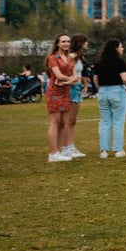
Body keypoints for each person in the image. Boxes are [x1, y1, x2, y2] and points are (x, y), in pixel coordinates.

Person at [95, 39, 126, 158]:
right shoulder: (119, 62)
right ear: (116, 48)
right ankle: (118, 149)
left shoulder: (99, 63)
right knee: (118, 121)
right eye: (121, 46)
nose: (122, 49)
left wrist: (100, 89)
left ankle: (104, 151)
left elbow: (95, 79)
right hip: (117, 91)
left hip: (102, 92)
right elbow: (125, 78)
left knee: (105, 121)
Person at [45, 34, 78, 162]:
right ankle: (52, 153)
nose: (66, 43)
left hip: (65, 92)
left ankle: (57, 152)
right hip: (54, 92)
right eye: (63, 41)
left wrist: (67, 81)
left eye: (68, 41)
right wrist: (70, 80)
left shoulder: (69, 58)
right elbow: (58, 75)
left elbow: (75, 76)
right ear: (57, 43)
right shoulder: (53, 58)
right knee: (55, 122)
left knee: (64, 123)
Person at [58, 33, 90, 159]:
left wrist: (83, 84)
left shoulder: (79, 57)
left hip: (77, 88)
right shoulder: (71, 57)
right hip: (70, 88)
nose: (87, 44)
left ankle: (70, 146)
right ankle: (66, 147)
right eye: (85, 42)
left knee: (72, 120)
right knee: (69, 120)